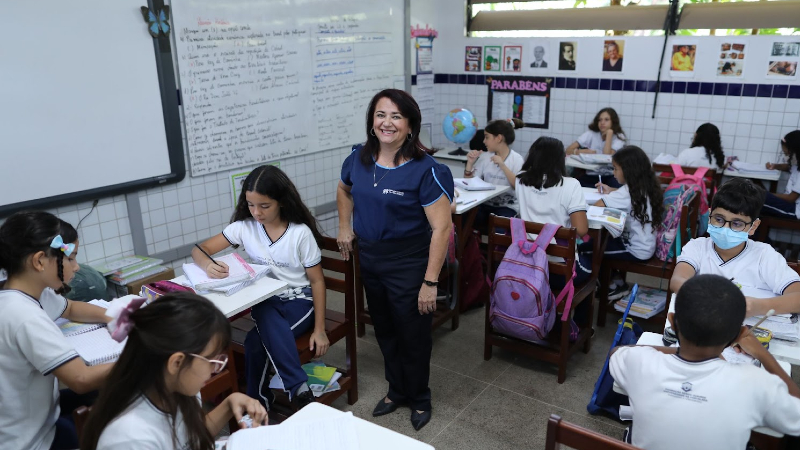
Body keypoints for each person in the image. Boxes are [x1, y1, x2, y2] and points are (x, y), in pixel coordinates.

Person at [336, 89, 453, 431]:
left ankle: (419, 397)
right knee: (384, 328)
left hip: (410, 263)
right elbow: (344, 189)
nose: (387, 123)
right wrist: (345, 225)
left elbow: (442, 228)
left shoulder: (426, 170)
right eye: (381, 115)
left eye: (396, 116)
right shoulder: (358, 158)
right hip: (371, 259)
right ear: (372, 122)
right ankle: (396, 389)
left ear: (410, 125)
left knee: (412, 333)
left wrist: (430, 282)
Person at [192, 165, 329, 410]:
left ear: (282, 202)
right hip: (266, 300)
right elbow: (199, 250)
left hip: (300, 302)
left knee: (256, 340)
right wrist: (207, 265)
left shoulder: (299, 233)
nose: (257, 212)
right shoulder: (244, 227)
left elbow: (317, 281)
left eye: (264, 206)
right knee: (263, 314)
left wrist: (319, 330)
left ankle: (264, 400)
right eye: (251, 205)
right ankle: (292, 390)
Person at [610, 274, 800, 450]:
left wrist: (680, 350)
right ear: (740, 334)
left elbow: (617, 352)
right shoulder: (755, 383)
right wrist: (763, 354)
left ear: (672, 321)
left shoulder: (640, 363)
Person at [80, 293, 268, 450]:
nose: (214, 370)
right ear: (176, 362)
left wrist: (229, 404)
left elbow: (190, 440)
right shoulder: (130, 438)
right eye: (211, 361)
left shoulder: (176, 388)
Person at [0, 211, 113, 450]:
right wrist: (143, 356)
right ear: (40, 261)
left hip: (37, 414)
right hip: (31, 440)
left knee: (108, 393)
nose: (76, 266)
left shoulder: (25, 293)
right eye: (70, 258)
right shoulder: (24, 316)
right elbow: (81, 379)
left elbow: (70, 307)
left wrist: (112, 316)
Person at [670, 178, 800, 316]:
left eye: (737, 224)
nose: (725, 228)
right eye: (719, 219)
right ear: (709, 217)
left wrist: (760, 306)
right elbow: (677, 280)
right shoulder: (696, 247)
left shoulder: (764, 256)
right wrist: (706, 298)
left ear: (753, 227)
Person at [581, 146, 664, 299]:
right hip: (644, 243)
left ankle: (611, 286)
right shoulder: (643, 186)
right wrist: (612, 190)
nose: (613, 173)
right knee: (603, 243)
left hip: (635, 249)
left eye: (615, 169)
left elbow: (598, 205)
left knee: (587, 249)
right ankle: (617, 281)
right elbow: (624, 196)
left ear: (628, 170)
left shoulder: (627, 193)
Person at [516, 136, 590, 285]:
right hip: (557, 268)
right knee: (591, 267)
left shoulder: (520, 179)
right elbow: (581, 230)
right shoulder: (571, 185)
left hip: (526, 262)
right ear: (560, 159)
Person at [464, 118, 525, 229]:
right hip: (484, 204)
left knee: (499, 227)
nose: (484, 141)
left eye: (487, 137)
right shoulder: (485, 156)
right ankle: (472, 245)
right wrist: (470, 164)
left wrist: (502, 165)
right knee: (466, 218)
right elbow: (469, 184)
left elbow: (518, 186)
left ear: (499, 138)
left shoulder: (517, 159)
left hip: (507, 207)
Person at [565, 107, 626, 188]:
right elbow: (568, 150)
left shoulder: (619, 137)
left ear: (613, 122)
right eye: (600, 120)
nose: (602, 123)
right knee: (574, 187)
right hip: (591, 175)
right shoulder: (591, 134)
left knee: (619, 189)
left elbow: (606, 155)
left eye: (606, 120)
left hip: (611, 175)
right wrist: (582, 151)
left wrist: (609, 134)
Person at [763, 130, 800, 219]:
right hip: (790, 205)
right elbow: (788, 167)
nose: (786, 156)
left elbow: (791, 198)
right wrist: (775, 166)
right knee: (752, 199)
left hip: (794, 210)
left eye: (787, 154)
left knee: (755, 199)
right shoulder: (797, 165)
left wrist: (765, 194)